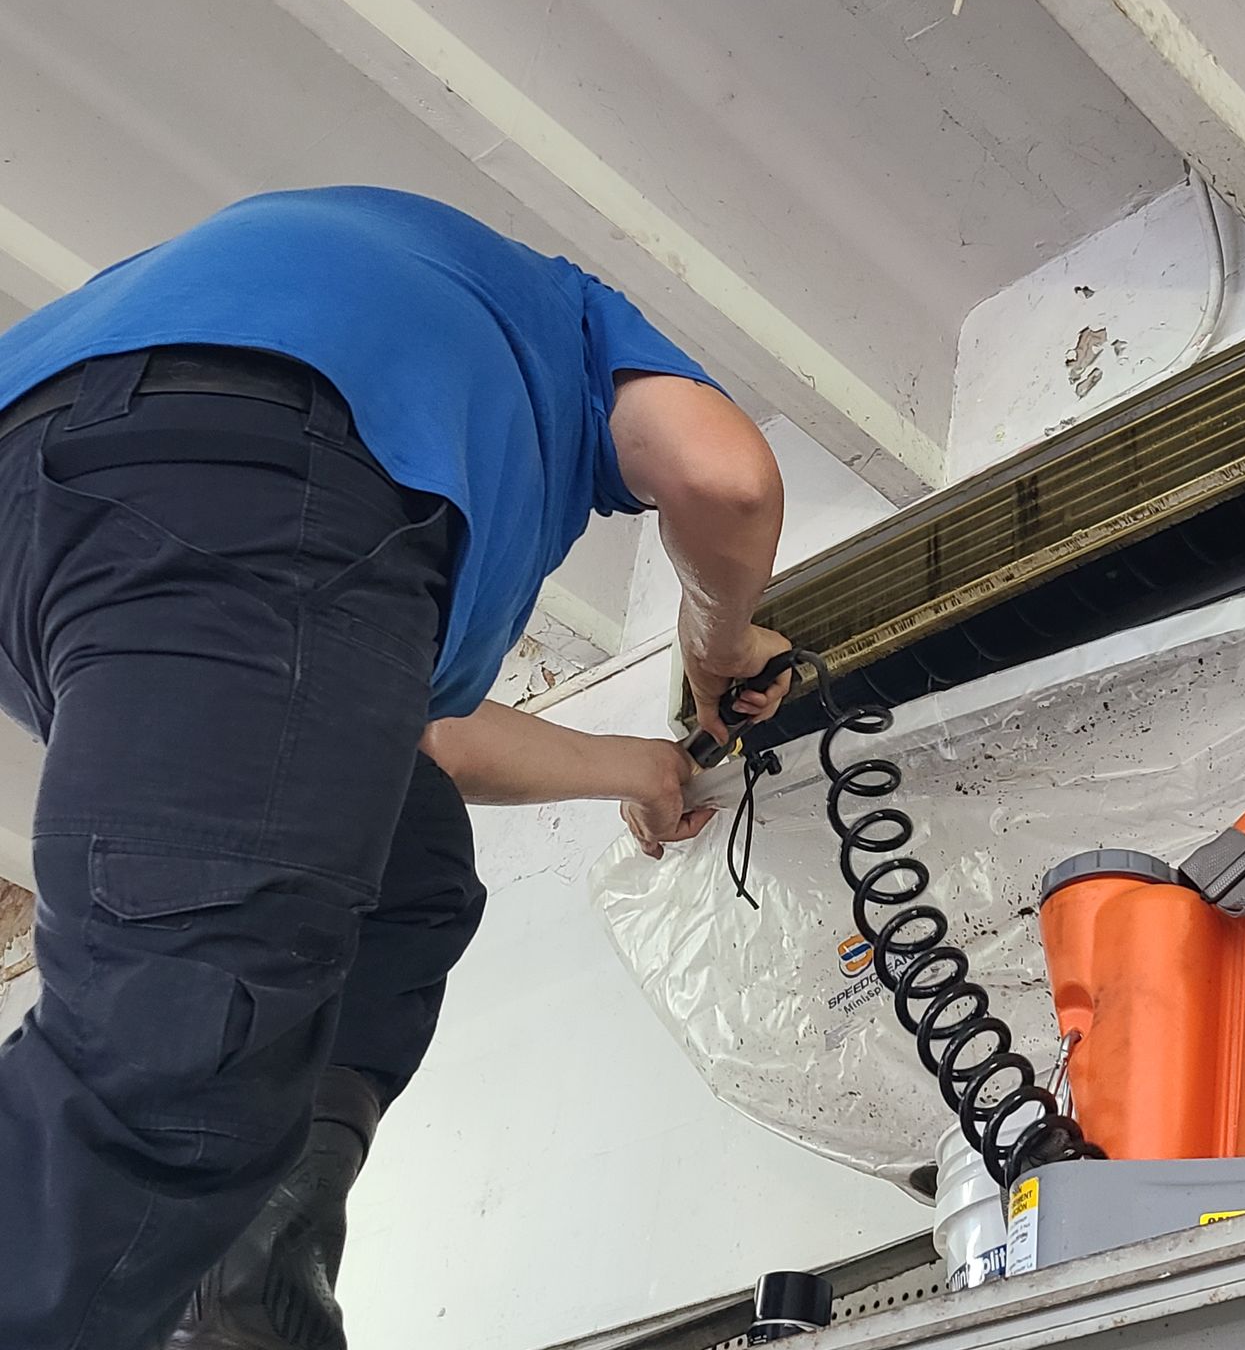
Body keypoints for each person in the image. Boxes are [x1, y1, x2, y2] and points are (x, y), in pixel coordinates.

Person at [0, 187, 795, 1350]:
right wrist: (720, 641)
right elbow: (725, 478)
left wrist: (636, 764)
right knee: (169, 1060)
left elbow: (395, 739)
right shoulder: (571, 320)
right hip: (250, 472)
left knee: (405, 851)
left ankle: (242, 1281)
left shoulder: (337, 284)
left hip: (47, 502)